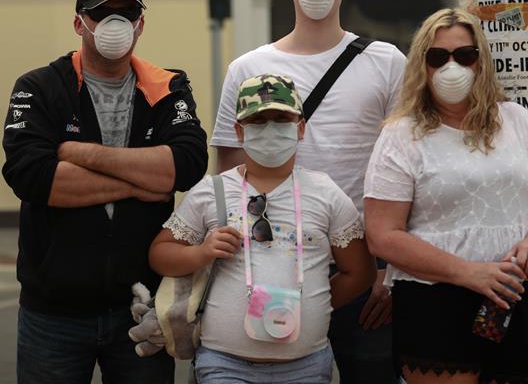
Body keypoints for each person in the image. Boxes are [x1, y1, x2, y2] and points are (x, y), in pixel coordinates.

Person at [211, 0, 406, 382]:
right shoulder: (247, 68)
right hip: (275, 265)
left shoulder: (387, 61)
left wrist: (393, 270)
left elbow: (408, 168)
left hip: (368, 268)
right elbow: (229, 172)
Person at [1, 0, 208, 384]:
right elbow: (32, 177)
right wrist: (144, 180)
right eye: (102, 13)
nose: (116, 23)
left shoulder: (167, 87)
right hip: (53, 314)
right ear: (80, 23)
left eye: (126, 13)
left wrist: (81, 154)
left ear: (140, 24)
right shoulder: (40, 87)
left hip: (140, 307)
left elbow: (187, 164)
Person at [364, 7, 528, 384]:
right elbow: (382, 234)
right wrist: (469, 273)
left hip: (511, 296)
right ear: (422, 65)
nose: (452, 67)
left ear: (481, 61)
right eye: (438, 57)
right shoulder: (402, 136)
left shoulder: (518, 122)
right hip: (434, 305)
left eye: (464, 55)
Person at [151, 74, 376, 383]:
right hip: (224, 365)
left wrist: (313, 304)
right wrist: (202, 253)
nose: (270, 129)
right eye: (257, 121)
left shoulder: (326, 193)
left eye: (281, 119)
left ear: (300, 128)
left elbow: (360, 272)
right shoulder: (212, 191)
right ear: (239, 132)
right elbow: (160, 255)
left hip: (306, 367)